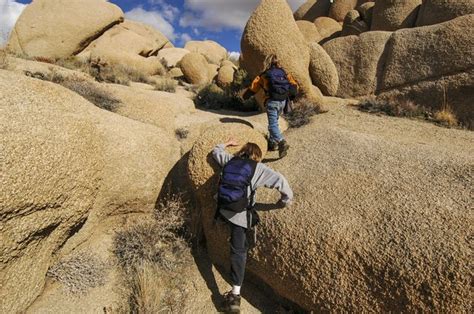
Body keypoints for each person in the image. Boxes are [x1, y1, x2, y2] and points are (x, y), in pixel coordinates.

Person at [212, 138, 293, 313]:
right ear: (257, 156)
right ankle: (235, 295)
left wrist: (226, 143)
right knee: (239, 251)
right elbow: (281, 182)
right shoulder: (258, 168)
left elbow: (215, 151)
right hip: (240, 215)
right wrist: (284, 202)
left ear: (242, 152)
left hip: (223, 209)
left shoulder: (230, 161)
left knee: (236, 236)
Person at [243, 55, 299, 158]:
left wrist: (245, 96)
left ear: (267, 63)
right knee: (275, 122)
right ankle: (273, 144)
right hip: (282, 102)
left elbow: (254, 87)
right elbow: (294, 85)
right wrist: (292, 97)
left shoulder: (264, 75)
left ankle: (281, 142)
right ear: (278, 62)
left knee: (272, 125)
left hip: (272, 102)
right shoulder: (285, 73)